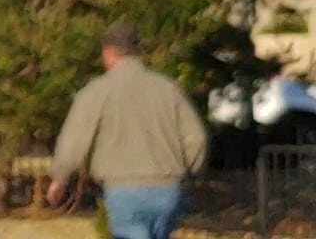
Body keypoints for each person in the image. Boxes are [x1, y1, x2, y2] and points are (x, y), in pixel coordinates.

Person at [48, 23, 208, 239]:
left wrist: (61, 178)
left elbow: (74, 140)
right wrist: (187, 169)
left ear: (108, 53)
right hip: (167, 189)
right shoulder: (168, 89)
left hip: (124, 189)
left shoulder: (97, 91)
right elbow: (196, 138)